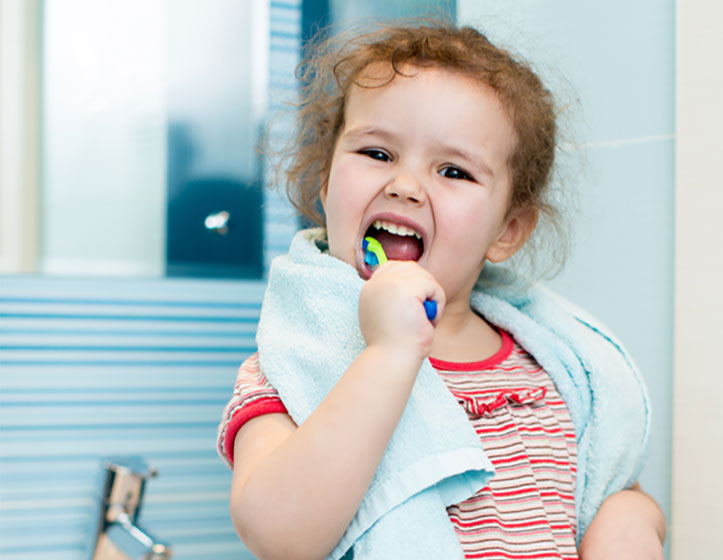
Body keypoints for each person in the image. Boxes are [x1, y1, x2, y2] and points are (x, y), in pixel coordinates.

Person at [217, 22, 666, 560]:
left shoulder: (553, 371)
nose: (404, 185)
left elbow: (603, 481)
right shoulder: (296, 365)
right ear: (325, 182)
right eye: (377, 154)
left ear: (507, 231)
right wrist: (388, 353)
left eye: (453, 170)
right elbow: (277, 534)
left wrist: (631, 517)